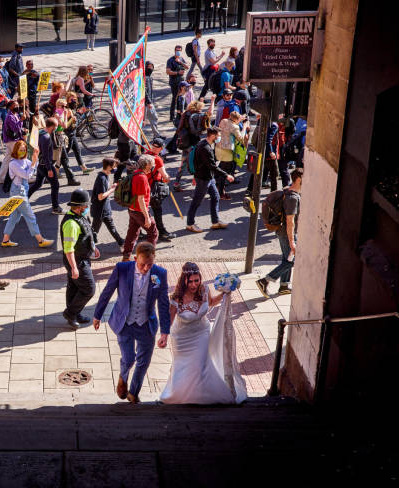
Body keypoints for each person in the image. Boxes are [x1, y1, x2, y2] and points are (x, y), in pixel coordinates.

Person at [159, 262, 247, 404]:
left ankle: (201, 396)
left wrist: (225, 294)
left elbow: (211, 302)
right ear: (184, 280)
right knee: (183, 367)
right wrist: (163, 337)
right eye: (190, 281)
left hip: (202, 333)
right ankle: (179, 394)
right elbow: (169, 319)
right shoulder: (177, 297)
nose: (194, 285)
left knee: (200, 365)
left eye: (196, 280)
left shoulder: (205, 289)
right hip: (182, 338)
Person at [93, 242, 170, 403]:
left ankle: (133, 393)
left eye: (150, 264)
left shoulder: (160, 274)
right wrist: (97, 315)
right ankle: (123, 376)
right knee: (128, 359)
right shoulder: (122, 269)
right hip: (125, 323)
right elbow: (108, 291)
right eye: (143, 264)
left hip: (146, 324)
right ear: (135, 259)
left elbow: (163, 304)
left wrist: (165, 331)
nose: (146, 269)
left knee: (144, 361)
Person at [256, 168, 303, 297]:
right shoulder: (293, 198)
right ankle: (265, 281)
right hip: (286, 232)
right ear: (299, 180)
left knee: (287, 257)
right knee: (291, 260)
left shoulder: (288, 190)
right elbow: (290, 221)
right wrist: (292, 241)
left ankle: (284, 286)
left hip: (281, 230)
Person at [0, 140, 54, 248]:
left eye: (24, 150)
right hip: (18, 193)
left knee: (14, 217)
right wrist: (33, 163)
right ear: (16, 150)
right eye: (20, 150)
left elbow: (34, 166)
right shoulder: (13, 163)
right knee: (31, 217)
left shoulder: (25, 160)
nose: (23, 152)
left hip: (22, 191)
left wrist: (35, 156)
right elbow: (27, 175)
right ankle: (40, 240)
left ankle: (5, 240)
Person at [61, 189, 100, 329]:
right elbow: (68, 248)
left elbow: (87, 234)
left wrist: (93, 247)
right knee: (89, 288)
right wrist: (74, 267)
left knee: (74, 287)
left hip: (82, 258)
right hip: (76, 261)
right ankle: (70, 313)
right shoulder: (71, 224)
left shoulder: (80, 217)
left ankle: (75, 314)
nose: (87, 208)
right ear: (79, 207)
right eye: (85, 206)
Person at [185, 127, 232, 233]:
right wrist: (226, 175)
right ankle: (190, 224)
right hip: (203, 178)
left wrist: (194, 175)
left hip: (207, 177)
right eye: (218, 135)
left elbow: (197, 161)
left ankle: (215, 222)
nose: (219, 137)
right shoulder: (205, 148)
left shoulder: (202, 144)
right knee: (196, 201)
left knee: (215, 196)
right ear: (213, 136)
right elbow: (212, 166)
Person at [121, 154, 158, 261]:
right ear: (146, 165)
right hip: (139, 211)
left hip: (132, 210)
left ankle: (126, 256)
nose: (153, 167)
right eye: (152, 165)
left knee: (132, 233)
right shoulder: (142, 178)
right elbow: (141, 199)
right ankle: (147, 258)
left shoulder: (135, 173)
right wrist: (147, 217)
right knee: (153, 233)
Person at [27, 118, 63, 215]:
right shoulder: (46, 137)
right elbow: (46, 155)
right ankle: (56, 208)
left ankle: (24, 200)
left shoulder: (41, 132)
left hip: (40, 164)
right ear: (52, 126)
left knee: (38, 184)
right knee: (55, 185)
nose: (56, 127)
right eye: (56, 126)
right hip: (45, 165)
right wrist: (49, 169)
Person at [91, 158, 123, 247]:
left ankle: (121, 242)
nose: (115, 168)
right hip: (100, 210)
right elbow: (100, 197)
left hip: (103, 209)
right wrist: (112, 190)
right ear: (109, 167)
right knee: (94, 231)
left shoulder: (104, 176)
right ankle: (89, 247)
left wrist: (110, 188)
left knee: (99, 229)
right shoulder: (102, 178)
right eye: (114, 166)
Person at [216, 111, 247, 200]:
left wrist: (239, 120)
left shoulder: (223, 121)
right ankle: (221, 192)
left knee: (221, 167)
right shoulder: (235, 127)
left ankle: (215, 184)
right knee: (224, 171)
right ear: (236, 119)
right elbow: (241, 138)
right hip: (227, 151)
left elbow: (231, 124)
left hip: (219, 147)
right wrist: (244, 127)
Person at [147, 138, 173, 242]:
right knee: (157, 210)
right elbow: (165, 176)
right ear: (161, 148)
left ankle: (140, 232)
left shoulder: (145, 155)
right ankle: (161, 232)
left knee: (142, 211)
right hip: (153, 188)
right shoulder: (157, 159)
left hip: (143, 186)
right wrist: (167, 179)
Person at [0, 100, 28, 183]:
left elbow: (18, 128)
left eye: (18, 105)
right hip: (11, 140)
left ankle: (2, 177)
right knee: (19, 157)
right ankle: (22, 176)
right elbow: (15, 128)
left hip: (14, 139)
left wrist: (22, 128)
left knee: (7, 159)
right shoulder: (9, 117)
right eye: (15, 105)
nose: (17, 107)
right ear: (10, 107)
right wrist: (21, 120)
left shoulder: (16, 114)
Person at [166, 46, 189, 122]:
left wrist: (180, 62)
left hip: (181, 82)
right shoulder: (170, 60)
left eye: (179, 50)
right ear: (174, 51)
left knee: (183, 98)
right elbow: (168, 71)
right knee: (175, 98)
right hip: (174, 82)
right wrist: (177, 73)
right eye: (177, 50)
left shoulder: (181, 59)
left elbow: (187, 67)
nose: (178, 52)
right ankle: (172, 116)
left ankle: (182, 114)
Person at [144, 61, 161, 139]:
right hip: (145, 103)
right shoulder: (144, 78)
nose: (150, 68)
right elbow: (144, 91)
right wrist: (148, 102)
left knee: (154, 118)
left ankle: (156, 135)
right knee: (142, 122)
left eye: (152, 66)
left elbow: (150, 91)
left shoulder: (150, 78)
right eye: (149, 66)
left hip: (150, 102)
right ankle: (140, 138)